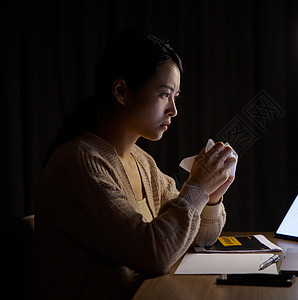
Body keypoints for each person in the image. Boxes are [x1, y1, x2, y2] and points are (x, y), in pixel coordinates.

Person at [33, 27, 236, 299]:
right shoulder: (78, 163)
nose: (173, 111)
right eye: (165, 94)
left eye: (175, 97)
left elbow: (198, 236)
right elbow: (154, 254)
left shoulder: (142, 161)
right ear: (121, 91)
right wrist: (197, 187)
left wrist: (210, 198)